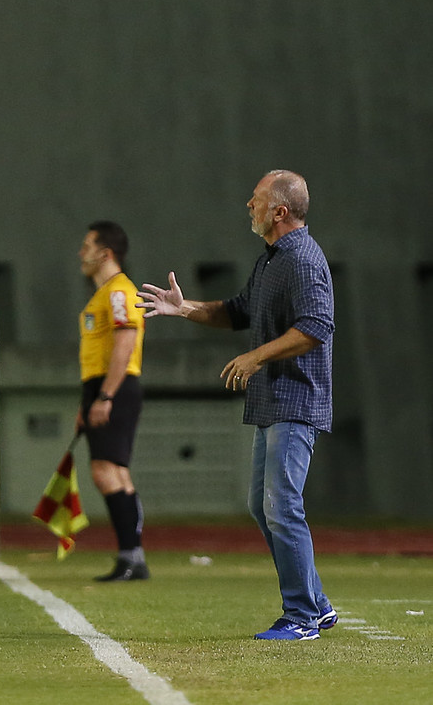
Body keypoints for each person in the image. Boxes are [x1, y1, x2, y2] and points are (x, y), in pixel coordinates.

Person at [137, 170, 337, 639]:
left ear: (279, 211)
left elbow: (316, 326)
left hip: (296, 399)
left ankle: (302, 617)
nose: (249, 206)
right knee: (261, 505)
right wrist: (183, 308)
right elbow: (236, 311)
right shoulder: (271, 261)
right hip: (272, 402)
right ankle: (318, 604)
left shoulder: (303, 260)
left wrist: (256, 355)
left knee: (281, 507)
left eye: (256, 200)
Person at [76, 220, 149, 582]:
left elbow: (125, 343)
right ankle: (132, 558)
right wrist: (88, 399)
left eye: (87, 246)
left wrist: (106, 395)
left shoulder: (119, 292)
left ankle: (131, 557)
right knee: (116, 472)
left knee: (106, 472)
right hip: (102, 387)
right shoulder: (104, 294)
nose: (81, 253)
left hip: (114, 387)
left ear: (105, 253)